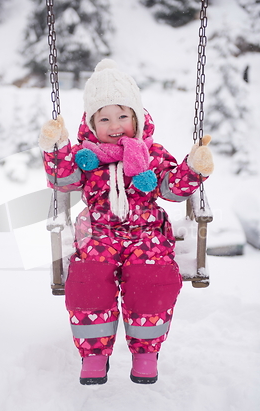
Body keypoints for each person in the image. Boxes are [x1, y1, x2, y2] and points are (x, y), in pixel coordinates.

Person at [39, 59, 214, 385]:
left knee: (153, 279)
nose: (115, 124)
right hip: (98, 235)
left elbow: (172, 190)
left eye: (123, 116)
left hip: (146, 234)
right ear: (92, 123)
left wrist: (193, 168)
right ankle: (94, 356)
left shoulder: (152, 153)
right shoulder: (84, 155)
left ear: (136, 117)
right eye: (104, 118)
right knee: (87, 281)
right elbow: (62, 179)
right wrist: (56, 147)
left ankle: (146, 352)